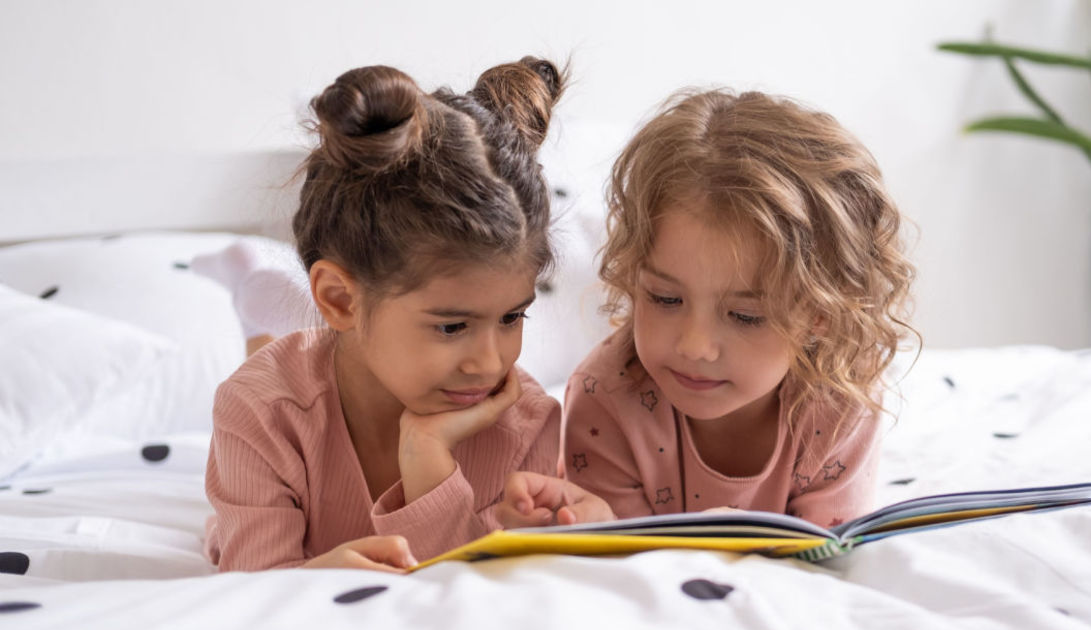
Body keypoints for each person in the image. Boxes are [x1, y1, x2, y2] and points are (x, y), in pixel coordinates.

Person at [204, 57, 566, 572]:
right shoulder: (261, 409)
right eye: (452, 326)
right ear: (340, 300)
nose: (489, 364)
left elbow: (469, 589)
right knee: (267, 367)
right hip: (289, 389)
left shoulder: (526, 421)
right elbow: (254, 589)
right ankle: (251, 304)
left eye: (512, 318)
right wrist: (317, 576)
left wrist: (428, 459)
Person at [500, 88, 917, 530]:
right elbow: (626, 564)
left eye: (746, 316)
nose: (695, 346)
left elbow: (828, 553)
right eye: (665, 299)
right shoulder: (606, 399)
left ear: (821, 314)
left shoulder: (843, 398)